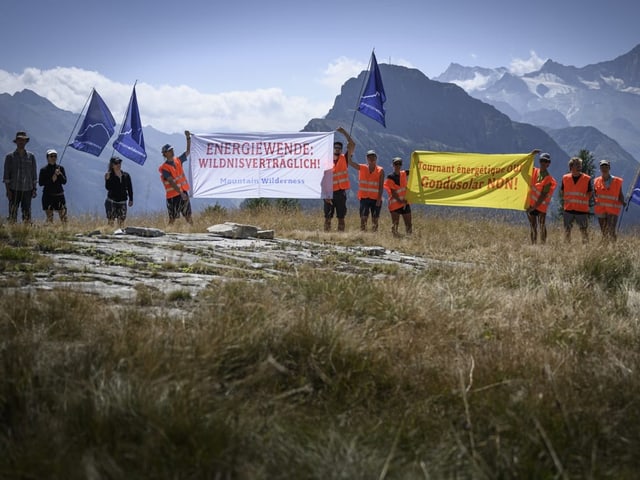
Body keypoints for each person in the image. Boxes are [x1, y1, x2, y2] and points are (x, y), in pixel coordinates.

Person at [324, 127, 355, 232]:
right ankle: (326, 236)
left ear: (341, 150)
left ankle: (340, 237)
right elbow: (323, 179)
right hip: (329, 193)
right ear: (333, 148)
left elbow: (352, 144)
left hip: (340, 193)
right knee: (327, 217)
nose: (337, 149)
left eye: (339, 148)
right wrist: (325, 194)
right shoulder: (326, 160)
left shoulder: (345, 158)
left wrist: (344, 132)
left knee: (341, 217)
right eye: (335, 147)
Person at [4, 131, 37, 223]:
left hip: (28, 189)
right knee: (12, 212)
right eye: (19, 140)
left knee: (27, 212)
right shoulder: (10, 157)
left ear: (26, 142)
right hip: (14, 189)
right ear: (16, 141)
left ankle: (26, 231)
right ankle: (13, 231)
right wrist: (8, 191)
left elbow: (34, 174)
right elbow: (6, 176)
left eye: (23, 140)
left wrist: (34, 189)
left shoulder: (31, 157)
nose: (21, 142)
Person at [159, 130, 192, 224]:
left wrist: (188, 138)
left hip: (182, 192)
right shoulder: (164, 168)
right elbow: (171, 182)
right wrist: (181, 193)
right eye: (170, 150)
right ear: (165, 153)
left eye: (172, 149)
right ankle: (167, 235)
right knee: (172, 218)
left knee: (188, 216)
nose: (172, 151)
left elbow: (188, 151)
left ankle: (193, 231)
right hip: (173, 196)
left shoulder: (178, 160)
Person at [348, 148, 384, 232]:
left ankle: (373, 236)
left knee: (375, 219)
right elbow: (350, 162)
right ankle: (363, 235)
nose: (371, 159)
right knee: (363, 218)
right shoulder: (362, 167)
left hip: (376, 199)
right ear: (367, 159)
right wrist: (350, 152)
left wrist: (379, 199)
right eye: (369, 157)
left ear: (376, 158)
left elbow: (381, 186)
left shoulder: (380, 170)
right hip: (364, 198)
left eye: (373, 157)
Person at [559, 156, 592, 243]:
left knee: (584, 231)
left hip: (581, 210)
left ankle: (586, 248)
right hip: (568, 209)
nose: (579, 166)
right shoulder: (565, 178)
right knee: (567, 231)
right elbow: (562, 191)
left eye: (580, 165)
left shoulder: (587, 179)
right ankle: (567, 247)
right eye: (576, 165)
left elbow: (590, 193)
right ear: (571, 167)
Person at [526, 152, 557, 244]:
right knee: (533, 226)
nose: (543, 163)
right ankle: (534, 245)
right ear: (539, 161)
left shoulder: (548, 178)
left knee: (542, 225)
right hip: (531, 204)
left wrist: (534, 207)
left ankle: (543, 245)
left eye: (545, 161)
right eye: (541, 160)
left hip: (540, 206)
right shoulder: (534, 171)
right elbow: (525, 166)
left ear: (549, 163)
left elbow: (543, 195)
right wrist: (531, 154)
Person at [593, 159, 625, 242]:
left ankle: (614, 248)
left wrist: (623, 202)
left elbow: (620, 194)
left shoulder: (617, 181)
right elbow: (595, 193)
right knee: (604, 232)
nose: (604, 168)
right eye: (602, 167)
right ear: (600, 169)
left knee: (611, 231)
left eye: (606, 166)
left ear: (609, 168)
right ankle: (605, 249)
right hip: (601, 209)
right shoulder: (596, 181)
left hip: (612, 210)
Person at [384, 156, 412, 236]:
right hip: (395, 204)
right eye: (396, 164)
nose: (398, 165)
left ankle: (409, 240)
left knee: (409, 224)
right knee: (395, 224)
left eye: (399, 164)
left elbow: (413, 171)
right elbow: (393, 192)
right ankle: (395, 239)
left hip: (405, 203)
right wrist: (400, 201)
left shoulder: (404, 173)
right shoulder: (390, 177)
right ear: (393, 165)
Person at [38, 149, 67, 223]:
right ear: (47, 158)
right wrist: (51, 180)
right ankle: (51, 232)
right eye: (51, 156)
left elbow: (64, 181)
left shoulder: (61, 168)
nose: (53, 158)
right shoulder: (43, 170)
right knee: (50, 218)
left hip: (59, 195)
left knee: (63, 217)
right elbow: (41, 183)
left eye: (55, 156)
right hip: (48, 196)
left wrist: (60, 174)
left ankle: (65, 231)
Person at [104, 156, 134, 226]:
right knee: (111, 221)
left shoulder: (126, 175)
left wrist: (131, 199)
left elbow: (130, 188)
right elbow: (108, 188)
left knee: (121, 223)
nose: (118, 165)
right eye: (116, 163)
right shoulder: (109, 175)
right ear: (112, 165)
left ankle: (120, 235)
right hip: (111, 201)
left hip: (122, 202)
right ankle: (110, 235)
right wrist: (107, 180)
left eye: (119, 163)